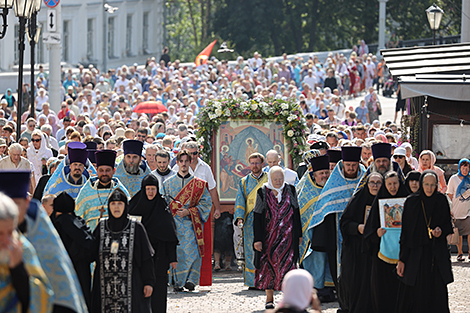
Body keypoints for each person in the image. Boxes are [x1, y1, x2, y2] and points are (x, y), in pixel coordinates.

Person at [0, 170, 88, 313]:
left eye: (15, 204)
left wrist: (17, 269)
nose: (10, 211)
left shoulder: (40, 235)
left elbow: (54, 290)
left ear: (27, 202)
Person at [306, 146, 366, 303]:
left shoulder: (364, 181)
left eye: (354, 165)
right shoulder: (334, 182)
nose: (351, 168)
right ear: (343, 164)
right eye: (348, 165)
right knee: (339, 270)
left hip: (361, 234)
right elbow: (323, 208)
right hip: (337, 236)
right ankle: (344, 301)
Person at [90, 188, 156, 313]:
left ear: (126, 206)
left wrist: (149, 282)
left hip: (132, 286)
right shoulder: (101, 226)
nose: (116, 207)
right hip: (104, 287)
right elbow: (90, 252)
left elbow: (146, 258)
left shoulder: (136, 227)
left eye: (120, 204)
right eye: (113, 204)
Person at [396, 170, 453, 312]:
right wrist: (402, 259)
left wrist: (440, 231)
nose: (429, 188)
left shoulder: (441, 200)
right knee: (417, 296)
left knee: (438, 294)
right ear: (422, 184)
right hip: (417, 255)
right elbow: (406, 233)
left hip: (436, 255)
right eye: (426, 184)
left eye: (432, 185)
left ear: (436, 186)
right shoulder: (412, 202)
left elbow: (448, 225)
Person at [162, 149, 212, 292]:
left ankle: (191, 280)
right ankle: (177, 282)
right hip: (174, 225)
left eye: (186, 161)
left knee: (193, 252)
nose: (184, 164)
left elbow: (206, 203)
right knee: (177, 253)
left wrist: (189, 212)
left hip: (192, 225)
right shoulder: (168, 184)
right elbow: (163, 204)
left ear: (191, 162)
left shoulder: (199, 184)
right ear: (177, 163)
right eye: (181, 161)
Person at [253, 166, 302, 310]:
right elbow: (257, 216)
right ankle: (269, 298)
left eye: (281, 178)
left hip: (288, 238)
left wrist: (298, 234)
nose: (278, 181)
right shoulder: (262, 192)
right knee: (268, 268)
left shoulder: (291, 190)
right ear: (270, 179)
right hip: (269, 238)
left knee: (289, 267)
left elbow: (296, 212)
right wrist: (258, 239)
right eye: (275, 179)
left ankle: (289, 298)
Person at [129, 174, 178, 313]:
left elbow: (170, 235)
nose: (150, 192)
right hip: (139, 258)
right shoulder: (134, 206)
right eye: (148, 189)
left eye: (153, 189)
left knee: (159, 293)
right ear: (143, 189)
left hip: (159, 257)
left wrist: (172, 258)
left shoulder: (162, 207)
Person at [0, 191, 54, 313]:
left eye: (10, 232)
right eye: (0, 233)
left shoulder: (22, 248)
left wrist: (18, 268)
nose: (6, 240)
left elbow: (41, 295)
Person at [363, 171, 409, 313]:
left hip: (404, 256)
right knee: (383, 292)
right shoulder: (379, 202)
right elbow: (368, 231)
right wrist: (376, 233)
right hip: (382, 257)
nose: (392, 187)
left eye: (395, 183)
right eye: (389, 184)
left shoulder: (408, 202)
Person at [337, 172, 383, 313]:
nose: (375, 186)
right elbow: (344, 223)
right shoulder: (358, 199)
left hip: (380, 250)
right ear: (366, 184)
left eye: (378, 183)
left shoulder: (386, 201)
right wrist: (358, 228)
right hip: (358, 251)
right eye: (372, 182)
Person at [51, 192, 94, 310]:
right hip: (81, 275)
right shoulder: (80, 225)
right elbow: (92, 250)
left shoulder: (50, 226)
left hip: (57, 277)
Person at [234, 152, 268, 289]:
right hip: (250, 220)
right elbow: (240, 200)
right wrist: (240, 217)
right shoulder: (244, 181)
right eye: (252, 163)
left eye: (257, 163)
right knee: (250, 249)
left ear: (262, 164)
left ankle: (266, 279)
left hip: (267, 219)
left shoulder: (268, 179)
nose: (255, 166)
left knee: (266, 248)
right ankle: (252, 281)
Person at [75, 149, 130, 231]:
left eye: (107, 170)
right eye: (101, 170)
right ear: (96, 171)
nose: (104, 173)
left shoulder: (121, 192)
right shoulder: (86, 192)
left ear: (113, 171)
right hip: (92, 238)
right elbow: (77, 217)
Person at [297, 154, 330, 278]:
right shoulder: (306, 192)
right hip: (312, 238)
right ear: (314, 175)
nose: (324, 176)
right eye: (321, 173)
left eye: (327, 172)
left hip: (330, 235)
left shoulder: (333, 190)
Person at [447, 158, 470, 262]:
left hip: (468, 210)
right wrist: (449, 209)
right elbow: (450, 195)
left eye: (467, 166)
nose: (465, 169)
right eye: (463, 166)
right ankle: (460, 253)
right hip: (456, 211)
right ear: (460, 167)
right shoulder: (453, 179)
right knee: (458, 233)